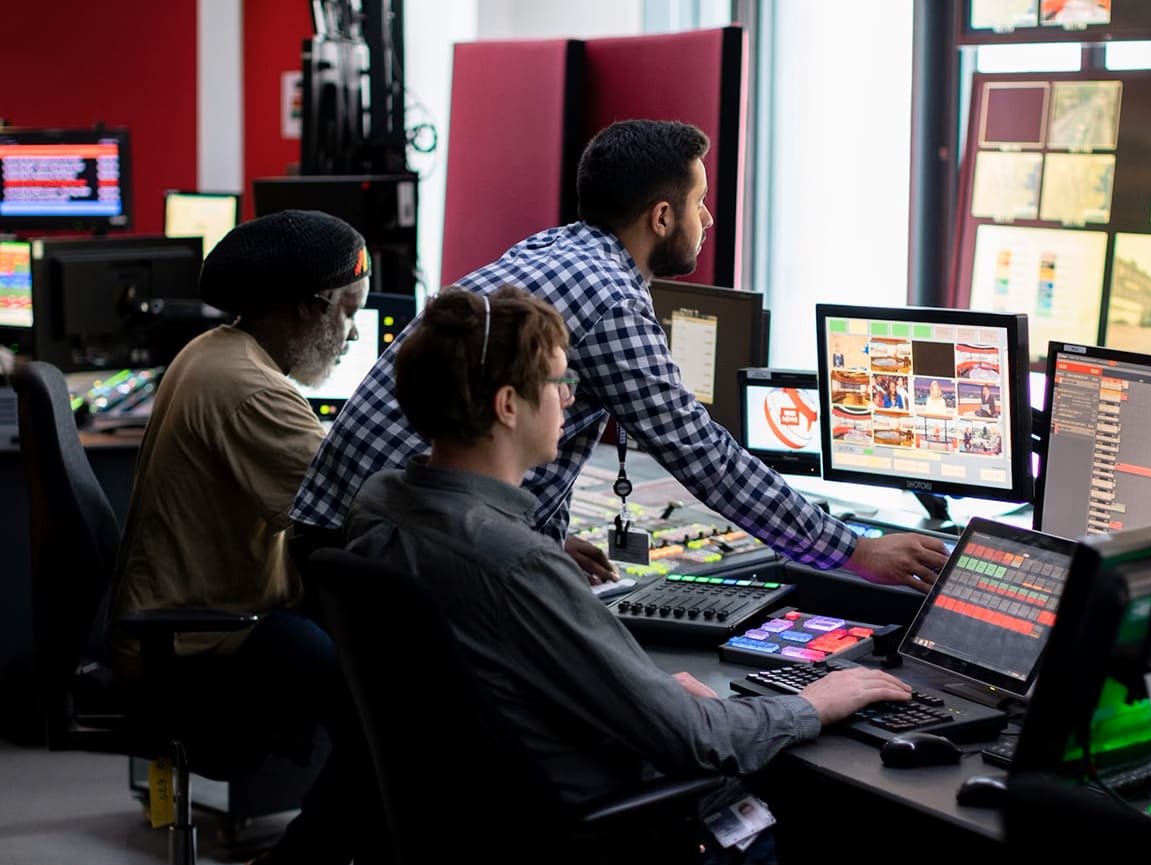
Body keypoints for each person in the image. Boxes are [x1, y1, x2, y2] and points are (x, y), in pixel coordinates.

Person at [342, 286, 913, 865]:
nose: (570, 397)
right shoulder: (519, 563)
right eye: (559, 381)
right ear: (508, 405)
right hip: (601, 851)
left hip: (474, 846)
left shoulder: (381, 503)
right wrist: (814, 701)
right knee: (851, 844)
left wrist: (646, 692)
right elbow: (698, 739)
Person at [293, 119, 946, 592]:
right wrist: (853, 550)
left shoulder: (553, 247)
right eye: (698, 204)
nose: (708, 220)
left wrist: (542, 541)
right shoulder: (610, 298)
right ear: (661, 218)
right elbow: (701, 453)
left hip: (345, 536)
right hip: (402, 553)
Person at [107, 209, 372, 865]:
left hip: (193, 622)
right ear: (307, 308)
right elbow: (358, 502)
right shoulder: (251, 391)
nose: (352, 333)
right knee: (389, 705)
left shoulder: (217, 352)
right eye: (348, 312)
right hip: (199, 646)